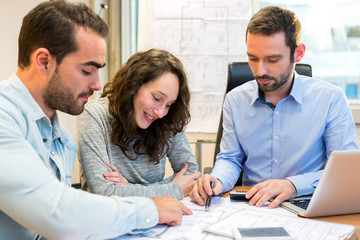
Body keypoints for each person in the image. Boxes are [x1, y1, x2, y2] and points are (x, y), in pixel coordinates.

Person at [0, 1, 191, 239]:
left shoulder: (61, 141)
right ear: (44, 61)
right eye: (87, 71)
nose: (97, 85)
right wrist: (152, 207)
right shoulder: (4, 117)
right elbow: (59, 214)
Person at [190, 6, 358, 209]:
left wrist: (293, 185)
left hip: (308, 203)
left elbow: (344, 174)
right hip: (252, 205)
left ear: (298, 53)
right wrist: (216, 180)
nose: (260, 70)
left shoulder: (331, 99)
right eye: (253, 58)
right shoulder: (235, 100)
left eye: (272, 59)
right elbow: (230, 159)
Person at [78, 48, 200, 200]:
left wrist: (128, 189)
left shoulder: (167, 120)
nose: (161, 113)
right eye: (156, 98)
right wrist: (174, 189)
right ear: (133, 86)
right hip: (109, 220)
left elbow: (191, 175)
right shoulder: (94, 115)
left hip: (157, 218)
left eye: (169, 104)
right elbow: (104, 193)